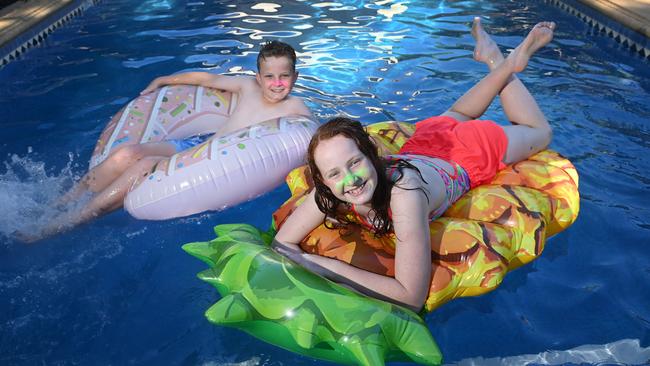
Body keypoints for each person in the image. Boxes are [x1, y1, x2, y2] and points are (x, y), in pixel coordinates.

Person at [273, 18, 556, 312]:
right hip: (424, 143)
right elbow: (282, 245)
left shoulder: (405, 193)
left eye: (355, 162)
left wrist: (317, 263)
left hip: (466, 154)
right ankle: (492, 55)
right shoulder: (330, 190)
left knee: (539, 132)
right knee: (456, 112)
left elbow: (409, 296)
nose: (350, 179)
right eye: (334, 173)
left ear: (372, 156)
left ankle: (505, 60)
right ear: (323, 181)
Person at [21, 40, 312, 242]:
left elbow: (314, 140)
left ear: (295, 77)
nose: (276, 83)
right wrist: (163, 80)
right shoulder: (247, 88)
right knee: (127, 153)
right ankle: (63, 200)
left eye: (284, 76)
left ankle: (71, 221)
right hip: (195, 147)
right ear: (258, 77)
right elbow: (205, 80)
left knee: (146, 165)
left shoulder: (296, 109)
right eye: (269, 76)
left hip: (207, 164)